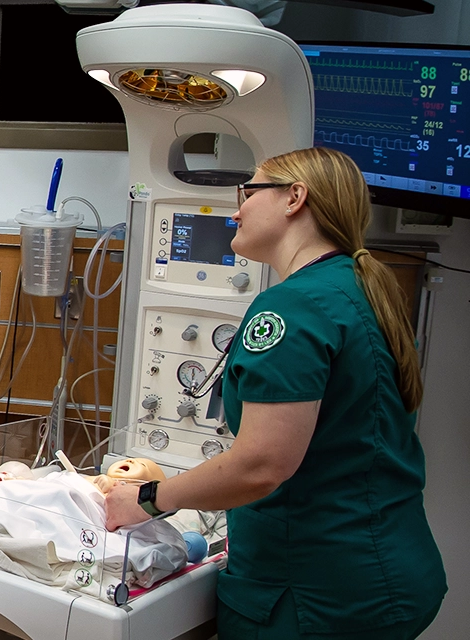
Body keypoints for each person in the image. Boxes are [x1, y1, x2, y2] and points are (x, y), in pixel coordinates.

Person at [104, 147, 444, 639]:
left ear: (294, 198)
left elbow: (262, 464)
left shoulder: (290, 308)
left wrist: (149, 499)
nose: (236, 211)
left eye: (248, 192)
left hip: (315, 593)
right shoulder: (364, 289)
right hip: (391, 567)